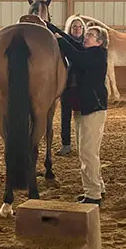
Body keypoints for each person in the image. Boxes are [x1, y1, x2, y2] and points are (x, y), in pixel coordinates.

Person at [46, 21, 109, 206]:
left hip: (93, 110)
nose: (85, 36)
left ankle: (93, 195)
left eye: (90, 35)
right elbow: (72, 43)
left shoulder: (97, 55)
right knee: (88, 152)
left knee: (88, 153)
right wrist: (51, 27)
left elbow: (75, 55)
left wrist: (58, 40)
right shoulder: (90, 52)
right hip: (83, 108)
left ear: (99, 42)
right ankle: (98, 188)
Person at [56, 17, 86, 156]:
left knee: (81, 118)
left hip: (81, 87)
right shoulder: (63, 43)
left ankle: (82, 144)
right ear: (70, 28)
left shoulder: (86, 44)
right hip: (67, 86)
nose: (77, 29)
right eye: (74, 26)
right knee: (65, 116)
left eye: (79, 26)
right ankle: (66, 144)